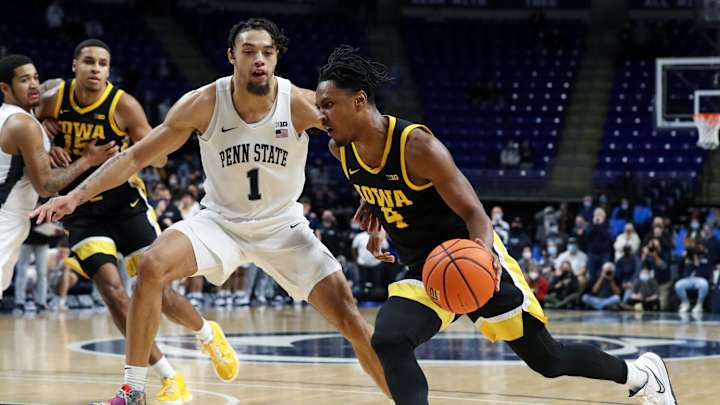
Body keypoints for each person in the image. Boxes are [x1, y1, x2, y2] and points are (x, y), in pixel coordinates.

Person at [33, 19, 389, 405]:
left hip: (283, 227)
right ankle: (133, 390)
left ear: (276, 58)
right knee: (151, 266)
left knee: (351, 320)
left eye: (267, 52)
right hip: (220, 223)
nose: (259, 59)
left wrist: (374, 200)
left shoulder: (299, 102)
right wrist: (74, 197)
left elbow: (357, 138)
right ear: (231, 56)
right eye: (249, 51)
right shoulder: (203, 103)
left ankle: (402, 397)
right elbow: (135, 157)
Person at [315, 45, 676, 405]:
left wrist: (482, 260)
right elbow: (379, 186)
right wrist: (376, 217)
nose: (322, 115)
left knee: (549, 360)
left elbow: (476, 215)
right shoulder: (341, 149)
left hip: (470, 254)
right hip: (424, 271)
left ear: (359, 100)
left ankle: (643, 375)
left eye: (328, 105)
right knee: (389, 340)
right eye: (319, 106)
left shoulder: (418, 147)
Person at [34, 39, 235, 404]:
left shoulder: (123, 105)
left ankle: (207, 333)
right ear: (74, 65)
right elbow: (28, 121)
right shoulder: (52, 101)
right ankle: (168, 377)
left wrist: (130, 152)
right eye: (89, 62)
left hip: (125, 204)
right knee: (112, 291)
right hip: (81, 210)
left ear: (109, 70)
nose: (96, 69)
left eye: (103, 64)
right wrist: (48, 140)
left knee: (158, 291)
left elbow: (158, 159)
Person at [0, 54, 115, 301]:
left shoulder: (14, 118)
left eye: (35, 77)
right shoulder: (24, 124)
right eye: (24, 80)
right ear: (5, 88)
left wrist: (47, 134)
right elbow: (46, 186)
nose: (33, 84)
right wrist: (88, 159)